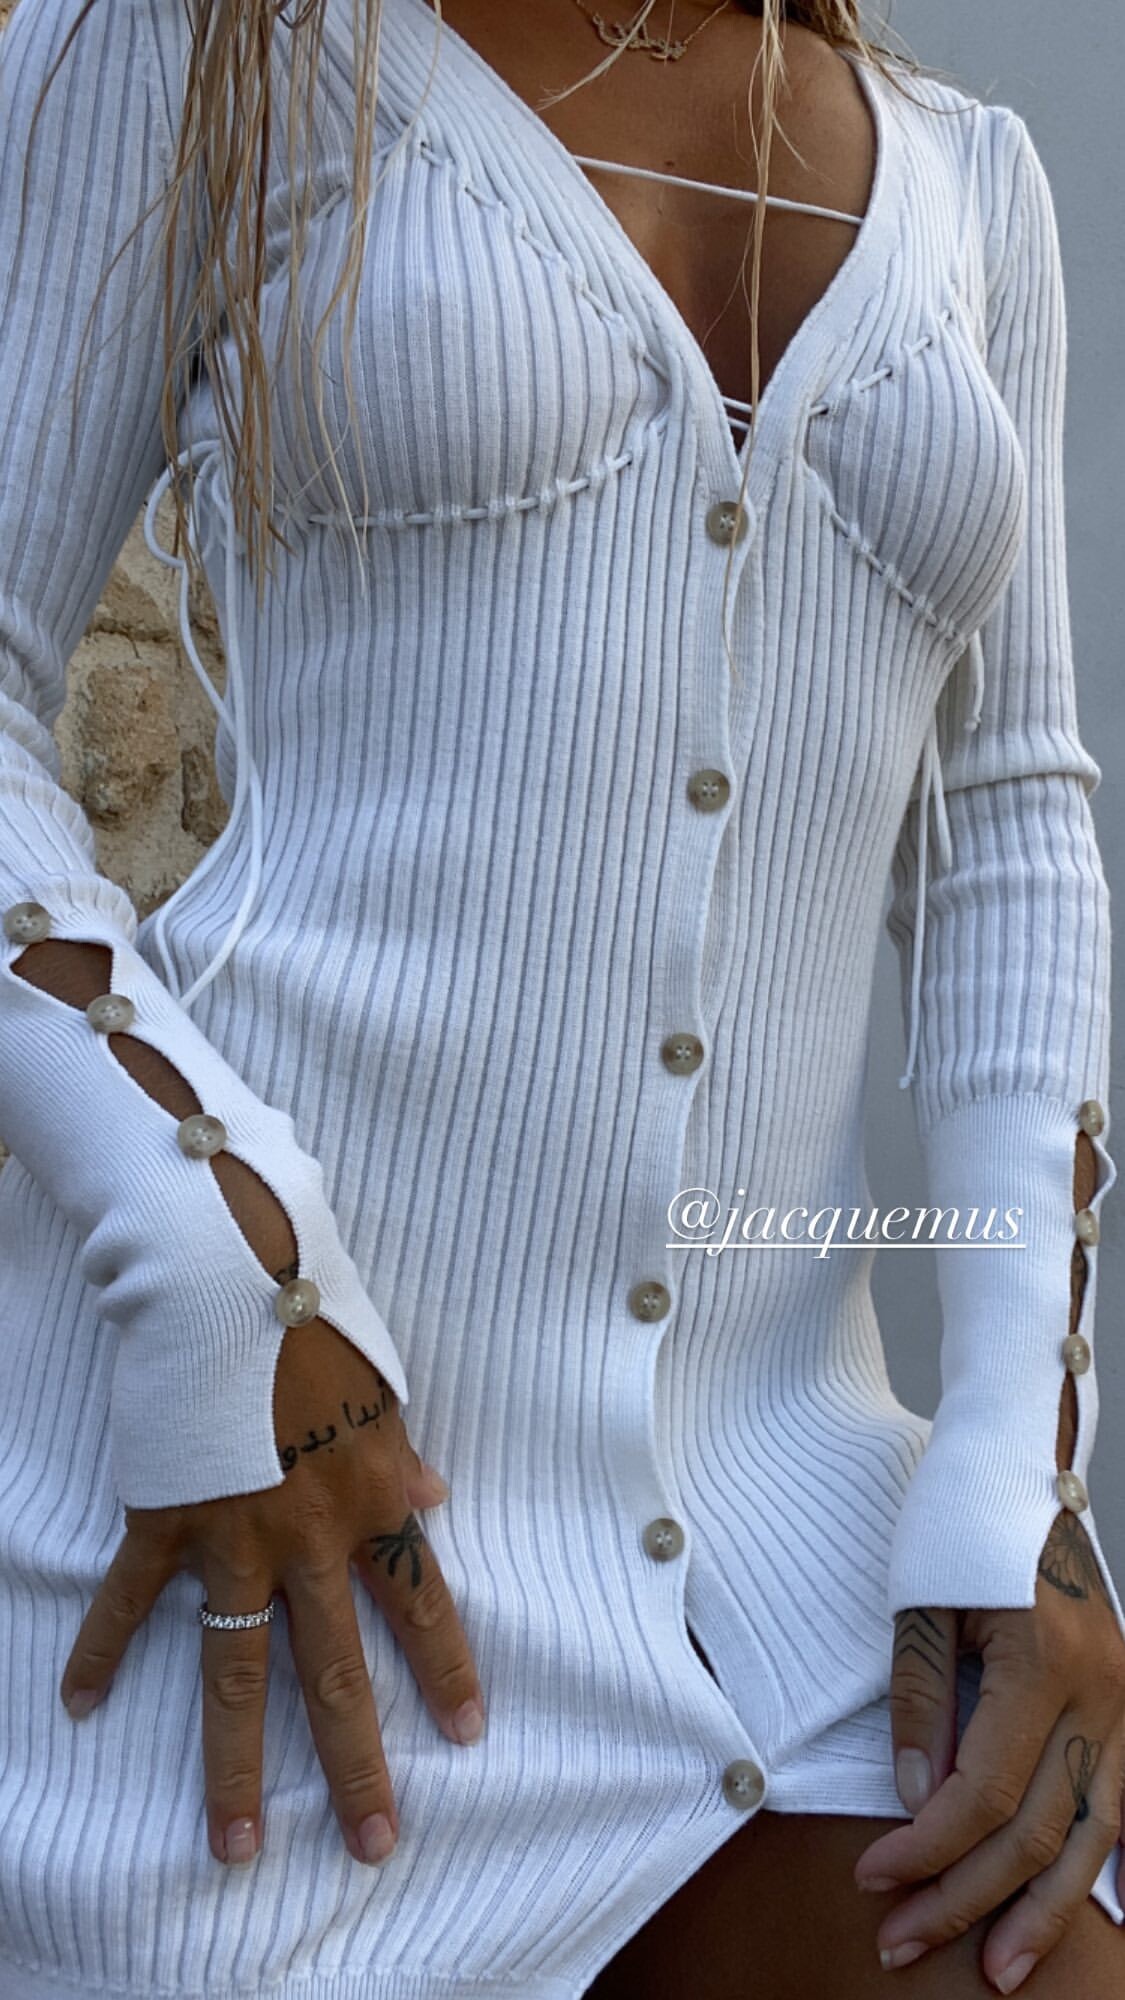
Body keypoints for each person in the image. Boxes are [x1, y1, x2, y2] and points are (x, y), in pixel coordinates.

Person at [0, 0, 1122, 1993]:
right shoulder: (201, 50)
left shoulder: (972, 184)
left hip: (794, 1530)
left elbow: (1011, 832)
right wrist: (205, 1251)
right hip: (281, 1482)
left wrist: (1013, 1472)